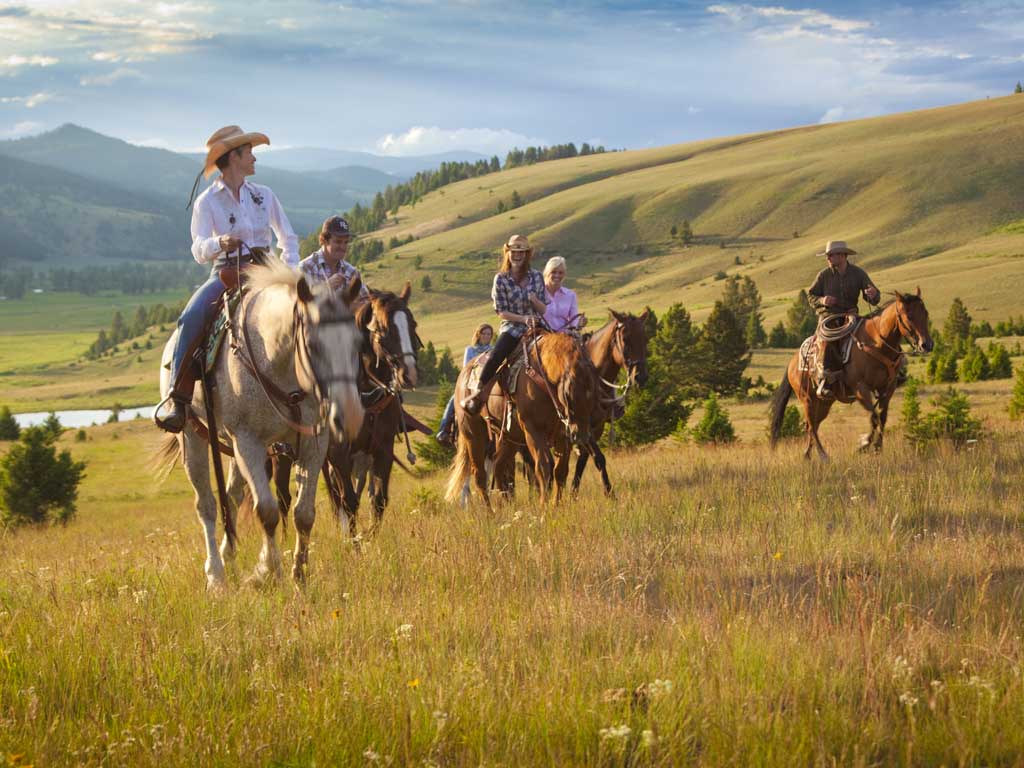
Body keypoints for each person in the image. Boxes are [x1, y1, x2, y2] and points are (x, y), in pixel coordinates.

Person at [155, 125, 299, 433]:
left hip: (267, 269)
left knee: (308, 309)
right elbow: (197, 249)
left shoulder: (264, 195)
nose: (254, 159)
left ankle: (321, 387)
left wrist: (289, 272)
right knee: (192, 315)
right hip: (227, 270)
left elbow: (288, 237)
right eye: (249, 153)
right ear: (234, 158)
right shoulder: (207, 202)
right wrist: (219, 243)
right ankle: (177, 399)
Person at [461, 234, 548, 414]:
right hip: (513, 327)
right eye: (513, 252)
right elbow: (501, 311)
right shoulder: (501, 279)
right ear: (507, 253)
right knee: (497, 355)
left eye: (521, 252)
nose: (517, 255)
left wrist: (534, 301)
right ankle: (479, 391)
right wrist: (523, 319)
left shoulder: (537, 277)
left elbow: (543, 309)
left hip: (537, 325)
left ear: (527, 254)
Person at [807, 239, 880, 397]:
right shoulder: (824, 275)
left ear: (842, 256)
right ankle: (824, 381)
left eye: (831, 255)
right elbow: (811, 295)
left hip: (851, 316)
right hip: (829, 316)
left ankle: (885, 373)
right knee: (827, 341)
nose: (828, 258)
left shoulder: (858, 273)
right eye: (828, 256)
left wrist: (872, 294)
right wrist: (822, 300)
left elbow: (873, 296)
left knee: (874, 335)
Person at [435, 323, 494, 444]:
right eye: (484, 333)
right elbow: (466, 367)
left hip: (488, 383)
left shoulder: (493, 350)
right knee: (453, 400)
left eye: (489, 334)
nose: (487, 336)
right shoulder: (470, 350)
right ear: (479, 334)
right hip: (471, 382)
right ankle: (444, 429)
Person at [299, 215, 370, 303]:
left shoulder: (351, 273)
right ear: (324, 240)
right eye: (338, 242)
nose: (343, 247)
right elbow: (299, 306)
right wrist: (326, 287)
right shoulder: (306, 268)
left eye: (346, 242)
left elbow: (366, 303)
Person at [542, 256, 586, 332]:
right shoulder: (538, 292)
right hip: (542, 337)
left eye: (560, 273)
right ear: (547, 273)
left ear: (564, 274)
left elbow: (574, 322)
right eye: (553, 272)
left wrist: (579, 324)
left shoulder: (570, 295)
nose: (557, 275)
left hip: (564, 338)